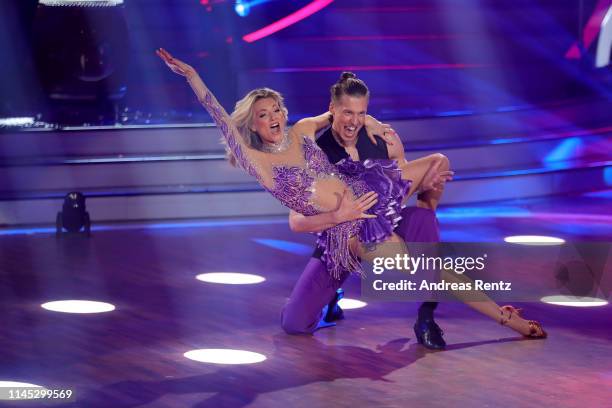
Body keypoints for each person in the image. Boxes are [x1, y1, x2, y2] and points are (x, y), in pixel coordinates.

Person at [157, 48, 547, 340]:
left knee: (436, 170)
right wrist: (193, 77)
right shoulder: (259, 163)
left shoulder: (303, 130)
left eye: (276, 108)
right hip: (350, 230)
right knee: (300, 323)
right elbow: (223, 122)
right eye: (263, 114)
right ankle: (499, 314)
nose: (274, 117)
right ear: (252, 123)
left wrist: (375, 124)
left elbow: (345, 111)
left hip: (369, 194)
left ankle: (501, 318)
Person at [281, 72, 452, 349]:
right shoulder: (316, 154)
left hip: (379, 227)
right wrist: (337, 217)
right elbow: (297, 220)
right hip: (340, 242)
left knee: (424, 216)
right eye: (347, 112)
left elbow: (398, 190)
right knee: (294, 323)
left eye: (361, 113)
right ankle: (330, 297)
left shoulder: (382, 138)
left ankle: (426, 314)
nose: (354, 122)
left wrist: (424, 186)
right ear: (332, 108)